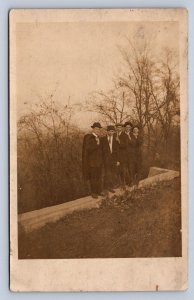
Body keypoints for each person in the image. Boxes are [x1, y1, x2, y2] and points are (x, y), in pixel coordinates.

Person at [82, 122, 103, 198]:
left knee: (99, 177)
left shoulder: (99, 138)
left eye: (99, 129)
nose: (98, 130)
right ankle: (94, 193)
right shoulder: (89, 138)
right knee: (93, 178)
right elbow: (88, 149)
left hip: (99, 162)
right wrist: (96, 144)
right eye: (96, 129)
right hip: (92, 162)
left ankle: (99, 191)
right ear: (93, 129)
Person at [101, 125, 120, 193]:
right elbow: (101, 151)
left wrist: (118, 160)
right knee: (107, 173)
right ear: (107, 131)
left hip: (114, 159)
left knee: (113, 173)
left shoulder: (116, 139)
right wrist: (102, 160)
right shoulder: (102, 139)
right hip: (106, 160)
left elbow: (117, 150)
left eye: (112, 131)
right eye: (110, 131)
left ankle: (111, 186)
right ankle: (106, 187)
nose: (111, 132)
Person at [115, 123, 129, 188]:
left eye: (120, 127)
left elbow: (126, 145)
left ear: (122, 128)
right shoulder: (115, 135)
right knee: (117, 171)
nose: (118, 128)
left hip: (123, 156)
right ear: (116, 128)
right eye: (117, 127)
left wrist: (119, 141)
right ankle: (119, 183)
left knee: (123, 170)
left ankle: (124, 184)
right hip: (116, 156)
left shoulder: (125, 135)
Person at [123, 121, 133, 186]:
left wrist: (130, 138)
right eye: (126, 127)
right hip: (124, 155)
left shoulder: (132, 135)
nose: (128, 128)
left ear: (130, 128)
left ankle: (130, 182)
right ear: (125, 128)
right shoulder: (122, 135)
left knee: (130, 168)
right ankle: (126, 182)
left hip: (131, 155)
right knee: (124, 169)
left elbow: (134, 144)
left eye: (129, 127)